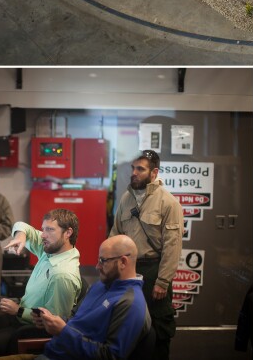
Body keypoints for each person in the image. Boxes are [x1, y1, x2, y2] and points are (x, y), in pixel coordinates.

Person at [0, 208, 83, 358]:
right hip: (21, 316)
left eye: (50, 230)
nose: (43, 235)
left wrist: (18, 310)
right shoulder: (51, 249)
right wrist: (21, 237)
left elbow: (52, 324)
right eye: (43, 229)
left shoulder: (62, 275)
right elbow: (21, 225)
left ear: (68, 233)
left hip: (30, 328)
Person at [22, 235, 151, 360]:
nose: (97, 266)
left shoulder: (131, 303)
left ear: (123, 262)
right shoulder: (100, 285)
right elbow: (75, 319)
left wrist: (63, 331)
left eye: (103, 261)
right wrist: (52, 321)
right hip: (51, 352)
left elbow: (110, 355)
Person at [110, 150, 182, 360]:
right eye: (133, 168)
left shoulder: (168, 202)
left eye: (140, 169)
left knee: (158, 330)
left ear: (154, 172)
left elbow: (172, 245)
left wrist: (163, 280)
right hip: (128, 270)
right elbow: (115, 234)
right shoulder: (126, 198)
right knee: (127, 326)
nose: (134, 173)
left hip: (154, 271)